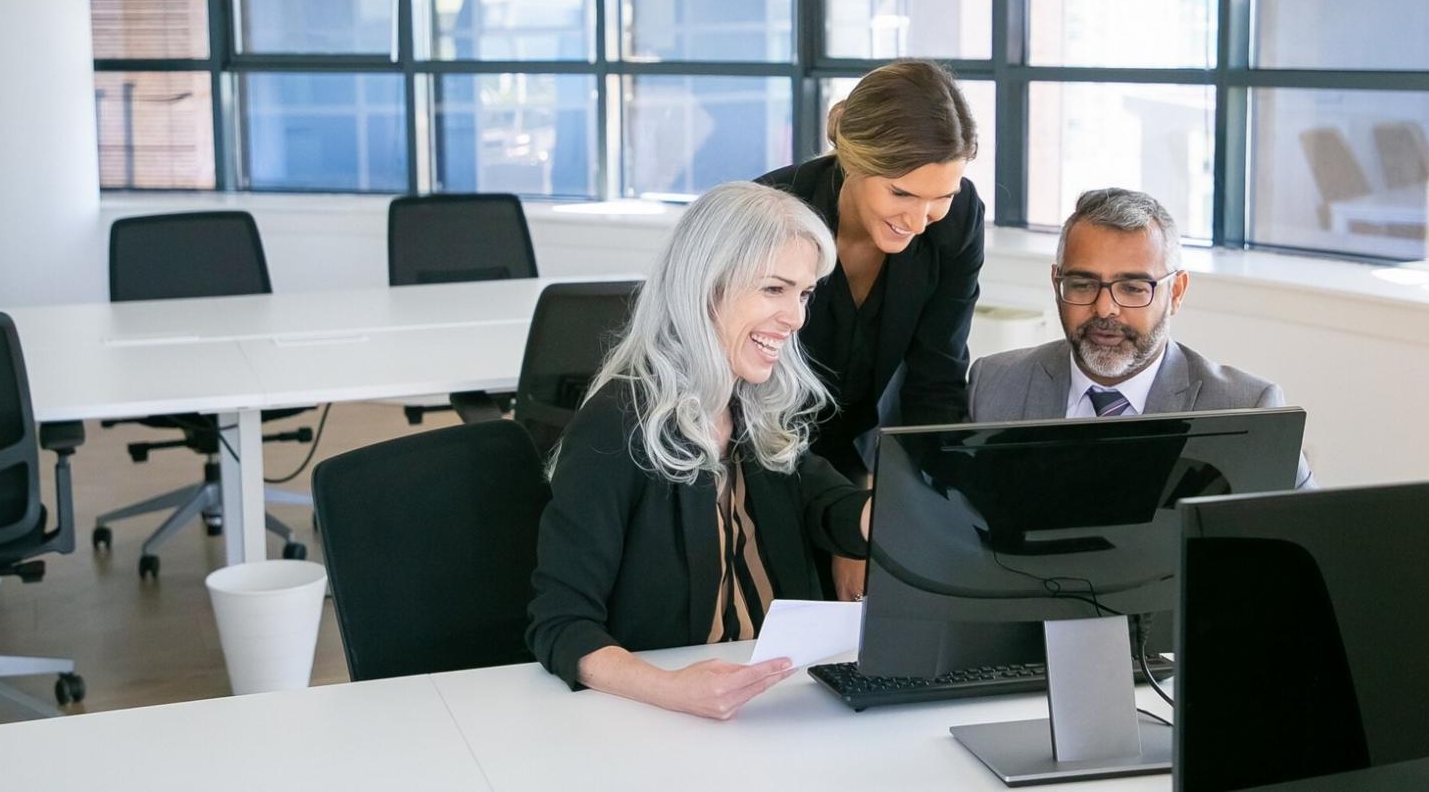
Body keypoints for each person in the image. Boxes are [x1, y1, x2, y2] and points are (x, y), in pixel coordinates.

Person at [526, 181, 872, 720]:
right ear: (706, 288)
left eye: (803, 294)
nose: (797, 317)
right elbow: (560, 623)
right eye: (774, 290)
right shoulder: (617, 424)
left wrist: (901, 509)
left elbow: (831, 508)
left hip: (776, 701)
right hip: (661, 717)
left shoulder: (753, 405)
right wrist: (672, 689)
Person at [759, 60, 984, 601]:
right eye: (902, 194)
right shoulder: (771, 217)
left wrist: (912, 516)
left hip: (863, 470)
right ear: (854, 161)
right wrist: (848, 529)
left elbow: (938, 382)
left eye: (942, 195)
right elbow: (758, 404)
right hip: (763, 459)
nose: (921, 217)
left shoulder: (956, 220)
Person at [967, 187, 1315, 489]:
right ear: (1057, 283)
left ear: (1176, 292)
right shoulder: (993, 387)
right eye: (1083, 284)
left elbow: (1307, 545)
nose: (1105, 308)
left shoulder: (1246, 410)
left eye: (1133, 288)